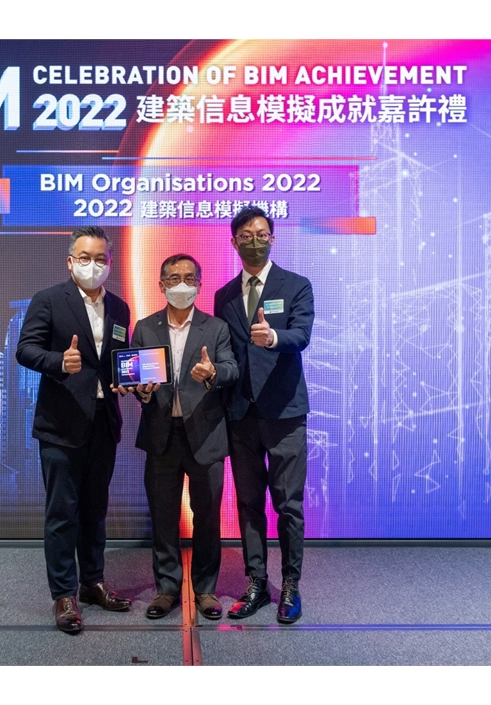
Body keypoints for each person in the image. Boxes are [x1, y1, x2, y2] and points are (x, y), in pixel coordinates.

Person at [15, 225, 133, 634]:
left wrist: (128, 380)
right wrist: (57, 363)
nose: (92, 265)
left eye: (100, 258)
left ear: (110, 263)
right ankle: (64, 594)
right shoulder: (48, 300)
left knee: (96, 509)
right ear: (70, 262)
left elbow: (119, 357)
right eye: (85, 258)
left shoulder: (120, 307)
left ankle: (93, 582)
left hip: (104, 421)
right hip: (61, 424)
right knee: (62, 511)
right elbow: (25, 349)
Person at [119, 254, 238, 621]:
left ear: (200, 285)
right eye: (173, 278)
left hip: (205, 435)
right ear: (161, 285)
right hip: (161, 436)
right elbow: (137, 381)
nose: (181, 284)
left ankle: (205, 589)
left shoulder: (215, 328)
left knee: (207, 518)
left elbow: (232, 369)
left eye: (189, 278)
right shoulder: (145, 328)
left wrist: (213, 372)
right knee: (164, 517)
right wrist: (140, 391)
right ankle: (167, 589)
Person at [213, 205, 314, 624]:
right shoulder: (223, 296)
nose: (254, 241)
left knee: (288, 504)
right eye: (245, 236)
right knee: (249, 503)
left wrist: (273, 336)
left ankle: (290, 585)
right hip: (241, 413)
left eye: (261, 234)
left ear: (272, 238)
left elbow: (301, 335)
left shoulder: (296, 285)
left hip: (285, 412)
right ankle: (256, 581)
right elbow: (225, 351)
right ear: (234, 242)